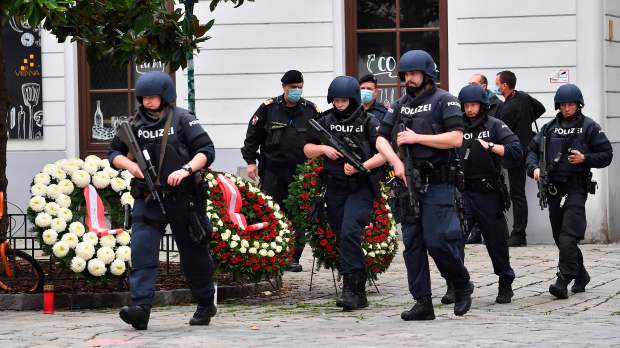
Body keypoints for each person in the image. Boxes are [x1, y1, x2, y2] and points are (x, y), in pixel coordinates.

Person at [108, 72, 216, 330]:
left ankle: (204, 301)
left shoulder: (182, 119)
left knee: (193, 253)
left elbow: (206, 151)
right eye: (143, 97)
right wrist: (130, 166)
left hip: (183, 197)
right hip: (148, 197)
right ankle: (140, 308)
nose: (147, 102)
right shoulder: (133, 124)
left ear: (165, 96)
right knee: (142, 250)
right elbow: (113, 152)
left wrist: (187, 169)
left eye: (152, 97)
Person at [375, 50, 473, 320]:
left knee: (437, 240)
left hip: (438, 181)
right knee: (413, 245)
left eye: (413, 74)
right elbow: (381, 139)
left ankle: (461, 283)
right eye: (405, 74)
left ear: (428, 74)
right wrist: (396, 163)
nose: (408, 78)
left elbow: (455, 139)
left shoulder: (445, 100)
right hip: (408, 182)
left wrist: (417, 138)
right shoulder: (400, 104)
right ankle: (423, 302)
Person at [304, 76, 386, 311]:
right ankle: (356, 288)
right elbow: (307, 149)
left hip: (361, 186)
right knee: (343, 237)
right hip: (335, 187)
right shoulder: (325, 120)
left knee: (350, 232)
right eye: (336, 100)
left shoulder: (368, 121)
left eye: (344, 100)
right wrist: (323, 149)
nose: (339, 104)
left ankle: (353, 288)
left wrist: (362, 166)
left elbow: (383, 153)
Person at [526, 84, 612, 299]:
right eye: (563, 105)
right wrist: (534, 169)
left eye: (571, 104)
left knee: (568, 235)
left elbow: (607, 154)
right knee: (560, 237)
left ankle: (563, 280)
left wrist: (586, 158)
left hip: (576, 188)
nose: (567, 108)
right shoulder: (549, 129)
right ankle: (581, 274)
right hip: (554, 189)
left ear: (578, 105)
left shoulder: (589, 127)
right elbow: (531, 153)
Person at [442, 84, 520, 305]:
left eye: (473, 104)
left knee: (496, 243)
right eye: (466, 105)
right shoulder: (456, 129)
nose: (469, 109)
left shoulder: (495, 125)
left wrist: (493, 147)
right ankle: (456, 285)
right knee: (454, 241)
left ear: (482, 105)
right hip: (462, 193)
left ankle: (505, 281)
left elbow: (516, 150)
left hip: (488, 193)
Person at [241, 70, 320, 272]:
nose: (296, 91)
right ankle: (273, 254)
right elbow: (252, 137)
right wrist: (251, 162)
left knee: (299, 216)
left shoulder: (311, 110)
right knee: (271, 213)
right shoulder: (268, 109)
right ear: (284, 87)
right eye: (293, 88)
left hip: (300, 173)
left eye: (300, 87)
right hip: (273, 172)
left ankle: (293, 256)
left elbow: (321, 140)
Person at [495, 71, 546, 247]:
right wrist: (526, 124)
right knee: (518, 193)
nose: (497, 87)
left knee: (517, 194)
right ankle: (518, 232)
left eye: (498, 84)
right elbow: (541, 108)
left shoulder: (507, 108)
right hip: (527, 147)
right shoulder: (523, 96)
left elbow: (501, 131)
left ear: (504, 85)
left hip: (514, 153)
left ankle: (518, 234)